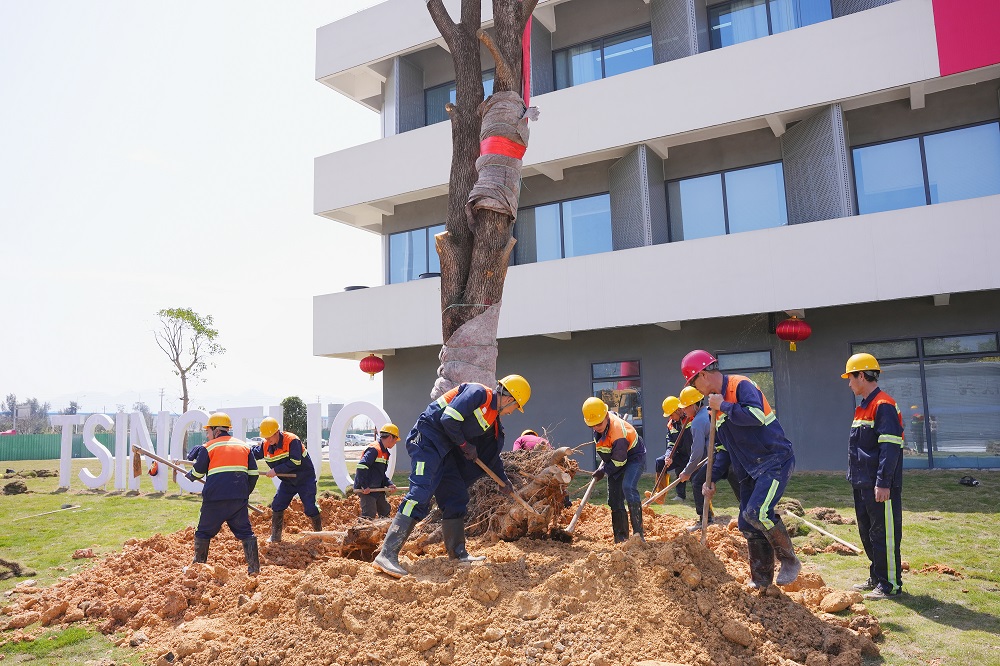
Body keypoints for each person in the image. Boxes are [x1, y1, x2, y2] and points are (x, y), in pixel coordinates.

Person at [373, 375, 531, 578]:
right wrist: (465, 445)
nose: (511, 412)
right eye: (515, 407)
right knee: (420, 493)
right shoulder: (478, 393)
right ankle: (387, 554)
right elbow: (448, 418)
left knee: (455, 496)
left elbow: (490, 457)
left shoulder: (492, 420)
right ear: (510, 399)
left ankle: (458, 553)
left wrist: (503, 481)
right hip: (426, 441)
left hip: (445, 451)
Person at [682, 349, 801, 588]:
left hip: (773, 461)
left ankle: (789, 560)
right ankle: (761, 580)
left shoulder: (740, 386)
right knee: (746, 522)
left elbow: (756, 416)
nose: (696, 389)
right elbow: (723, 449)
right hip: (748, 470)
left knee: (757, 512)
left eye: (694, 383)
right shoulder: (714, 407)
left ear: (703, 374)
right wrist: (712, 478)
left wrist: (724, 406)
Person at [843, 353, 905, 600]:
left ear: (861, 375)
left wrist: (883, 482)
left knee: (883, 534)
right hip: (862, 483)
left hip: (878, 484)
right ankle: (877, 577)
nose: (849, 384)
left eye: (850, 378)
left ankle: (890, 584)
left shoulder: (883, 405)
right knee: (868, 532)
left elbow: (890, 448)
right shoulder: (863, 407)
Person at [186, 412, 260, 574]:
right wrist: (244, 493)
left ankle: (198, 567)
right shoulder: (244, 447)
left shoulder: (208, 447)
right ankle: (254, 568)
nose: (207, 435)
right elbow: (254, 474)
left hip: (214, 500)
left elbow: (198, 472)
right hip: (238, 499)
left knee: (203, 532)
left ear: (217, 430)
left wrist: (190, 475)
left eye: (208, 431)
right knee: (246, 532)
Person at [583, 396, 647, 543]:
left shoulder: (618, 433)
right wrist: (605, 465)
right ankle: (621, 538)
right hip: (615, 458)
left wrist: (604, 471)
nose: (596, 427)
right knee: (614, 498)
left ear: (606, 416)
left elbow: (620, 461)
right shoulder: (600, 425)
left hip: (633, 457)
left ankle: (638, 536)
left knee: (628, 487)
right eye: (592, 425)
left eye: (599, 423)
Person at [252, 417, 321, 543]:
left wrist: (275, 470)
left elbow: (295, 461)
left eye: (269, 436)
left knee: (310, 507)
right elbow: (252, 454)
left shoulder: (292, 441)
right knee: (277, 505)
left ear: (276, 432)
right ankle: (275, 537)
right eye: (265, 437)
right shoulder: (266, 445)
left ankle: (319, 536)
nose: (267, 440)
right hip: (288, 481)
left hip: (305, 479)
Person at [354, 423, 400, 519]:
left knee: (385, 510)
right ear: (390, 437)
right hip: (367, 490)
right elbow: (361, 467)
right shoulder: (374, 449)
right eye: (396, 439)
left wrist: (389, 484)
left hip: (377, 488)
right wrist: (364, 485)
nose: (396, 442)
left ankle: (383, 528)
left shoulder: (385, 453)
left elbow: (380, 474)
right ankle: (362, 529)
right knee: (369, 515)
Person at [653, 396, 689, 503]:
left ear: (678, 410)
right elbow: (671, 443)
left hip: (694, 455)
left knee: (695, 477)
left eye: (671, 414)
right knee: (660, 462)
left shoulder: (691, 418)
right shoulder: (671, 424)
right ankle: (660, 495)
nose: (671, 417)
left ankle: (702, 498)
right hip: (680, 454)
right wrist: (669, 455)